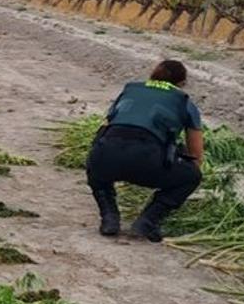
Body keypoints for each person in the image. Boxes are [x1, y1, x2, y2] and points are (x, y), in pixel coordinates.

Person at [86, 60, 204, 242]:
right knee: (192, 176)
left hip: (105, 157)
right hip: (146, 160)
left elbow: (107, 125)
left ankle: (109, 217)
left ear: (152, 76)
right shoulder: (184, 102)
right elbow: (196, 155)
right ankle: (147, 222)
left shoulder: (130, 91)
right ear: (182, 83)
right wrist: (185, 171)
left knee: (97, 162)